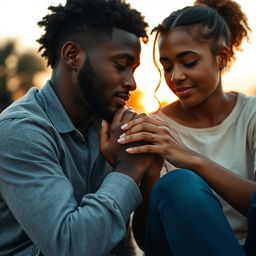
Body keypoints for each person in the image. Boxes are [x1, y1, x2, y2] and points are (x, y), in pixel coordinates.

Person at [0, 0, 163, 255]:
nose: (131, 82)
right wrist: (129, 169)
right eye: (121, 65)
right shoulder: (19, 131)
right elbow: (72, 245)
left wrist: (149, 172)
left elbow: (119, 243)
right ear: (73, 55)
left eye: (133, 70)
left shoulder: (110, 128)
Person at [116, 0, 256, 255]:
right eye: (167, 66)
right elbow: (148, 242)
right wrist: (149, 177)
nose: (175, 76)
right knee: (178, 184)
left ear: (221, 57)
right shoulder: (153, 130)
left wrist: (192, 159)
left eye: (188, 62)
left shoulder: (251, 115)